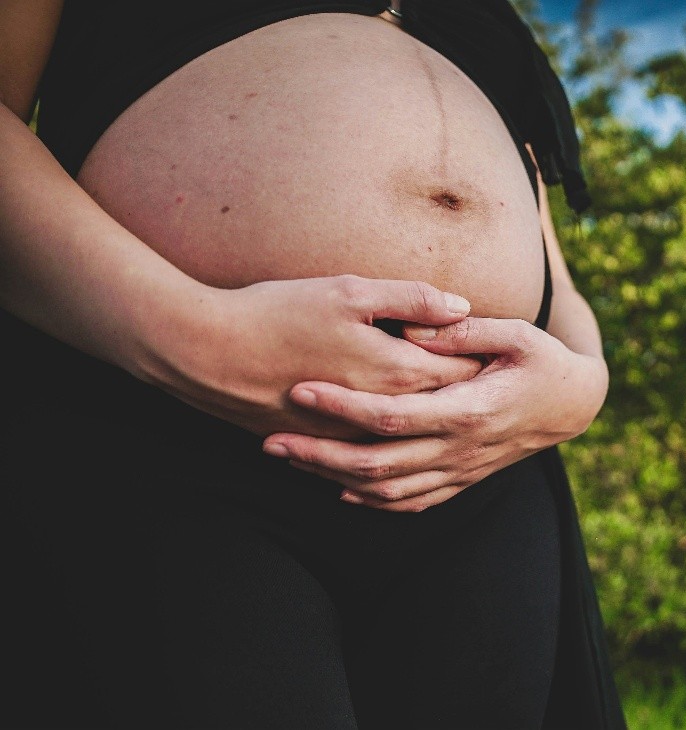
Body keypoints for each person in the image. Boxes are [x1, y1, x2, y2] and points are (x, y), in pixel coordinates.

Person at [0, 0, 626, 728]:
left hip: (478, 472)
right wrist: (194, 338)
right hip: (170, 428)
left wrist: (583, 383)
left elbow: (556, 273)